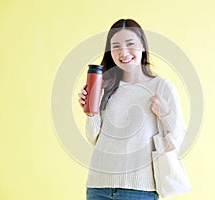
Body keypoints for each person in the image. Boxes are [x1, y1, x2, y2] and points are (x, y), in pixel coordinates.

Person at [78, 19, 187, 200]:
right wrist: (91, 112)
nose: (123, 52)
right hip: (98, 187)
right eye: (116, 46)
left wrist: (166, 115)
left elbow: (178, 140)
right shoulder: (106, 86)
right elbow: (94, 138)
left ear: (143, 46)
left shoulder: (161, 87)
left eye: (130, 45)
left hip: (138, 191)